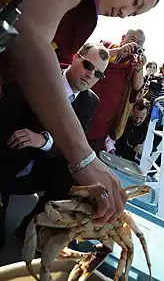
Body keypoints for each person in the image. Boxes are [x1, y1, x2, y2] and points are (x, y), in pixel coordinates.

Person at [0, 0, 163, 224]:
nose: (125, 14)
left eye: (135, 12)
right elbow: (29, 35)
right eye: (135, 1)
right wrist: (83, 158)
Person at [0, 42, 109, 250]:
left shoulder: (89, 102)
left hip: (39, 171)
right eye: (88, 66)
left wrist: (45, 141)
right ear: (76, 56)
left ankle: (31, 229)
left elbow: (78, 144)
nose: (91, 75)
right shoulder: (39, 75)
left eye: (98, 74)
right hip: (7, 163)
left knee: (73, 171)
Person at [88, 29, 146, 152]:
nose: (135, 44)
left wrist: (139, 68)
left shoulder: (134, 62)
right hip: (88, 99)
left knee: (93, 146)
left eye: (139, 42)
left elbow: (137, 87)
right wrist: (119, 51)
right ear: (123, 38)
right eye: (132, 39)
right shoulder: (107, 46)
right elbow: (94, 56)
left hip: (107, 111)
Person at [106, 99, 150, 163]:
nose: (138, 121)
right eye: (136, 117)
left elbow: (148, 151)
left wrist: (143, 150)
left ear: (146, 115)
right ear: (132, 111)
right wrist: (111, 150)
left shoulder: (149, 130)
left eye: (141, 118)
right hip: (116, 155)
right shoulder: (123, 121)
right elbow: (110, 138)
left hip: (133, 161)